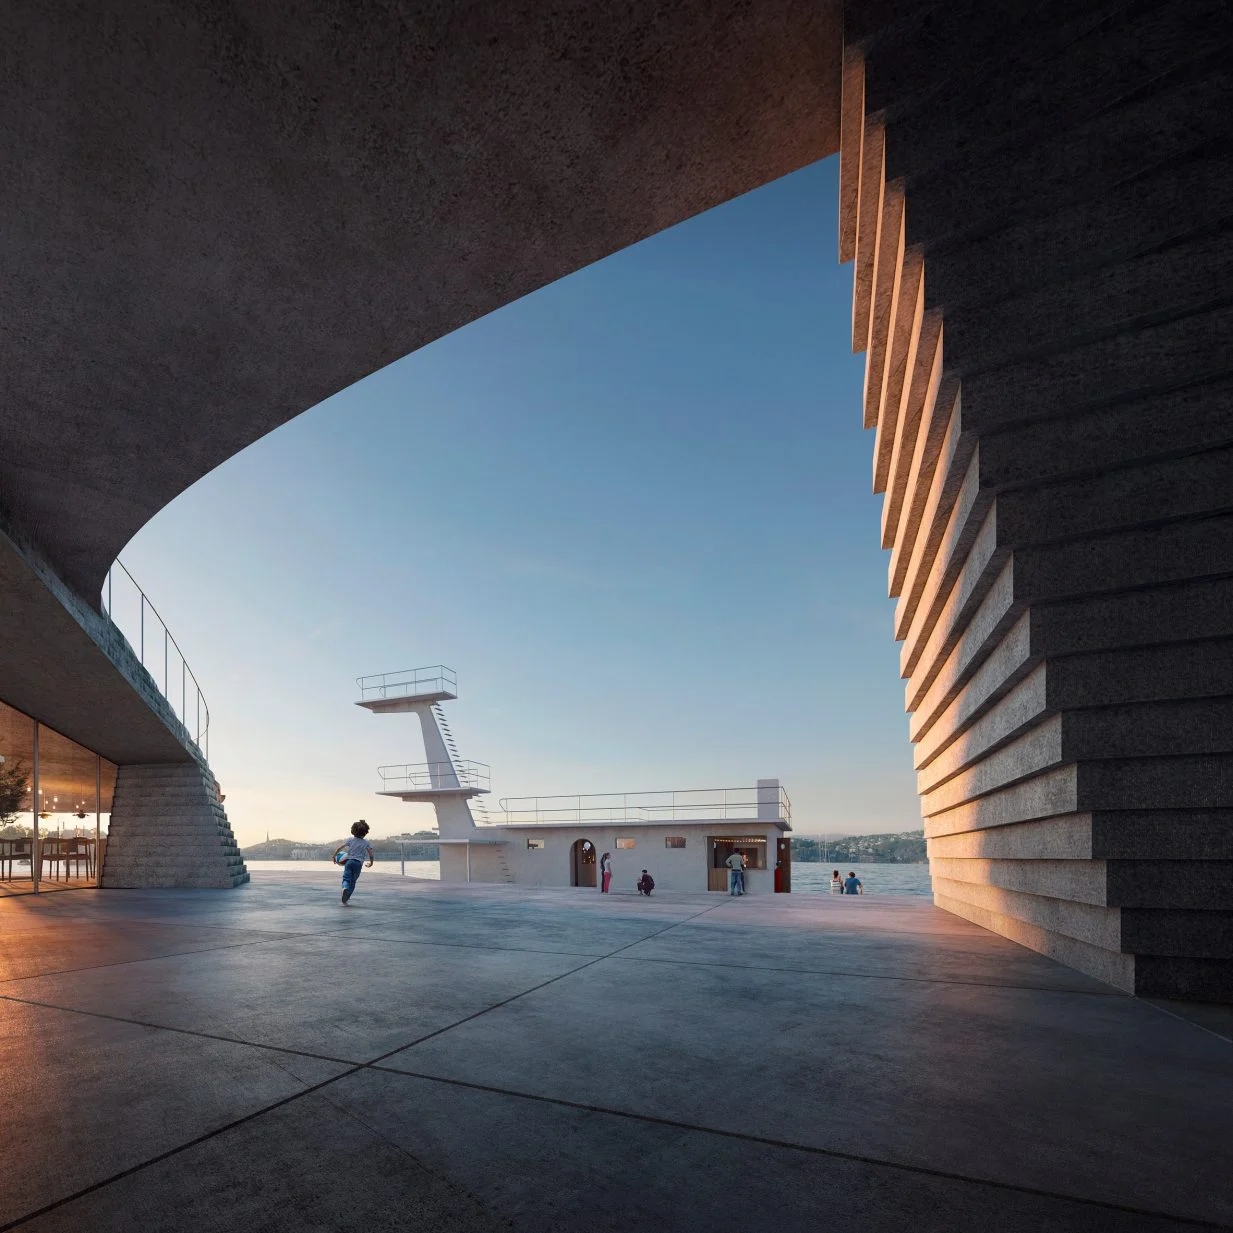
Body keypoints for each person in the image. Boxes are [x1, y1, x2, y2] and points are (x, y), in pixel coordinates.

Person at [333, 819, 374, 904]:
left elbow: (339, 848)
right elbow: (370, 854)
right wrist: (371, 863)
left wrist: (334, 856)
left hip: (349, 862)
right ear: (365, 832)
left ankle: (344, 888)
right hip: (358, 864)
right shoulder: (366, 842)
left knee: (346, 879)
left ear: (353, 830)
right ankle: (347, 897)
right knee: (353, 881)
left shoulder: (350, 840)